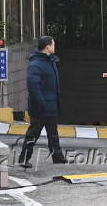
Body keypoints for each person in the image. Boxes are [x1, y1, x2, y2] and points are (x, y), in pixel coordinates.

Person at [18, 36, 66, 168]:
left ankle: (57, 157)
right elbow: (33, 88)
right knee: (32, 135)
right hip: (40, 108)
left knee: (53, 134)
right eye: (53, 44)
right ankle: (24, 159)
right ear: (47, 47)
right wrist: (42, 105)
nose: (55, 46)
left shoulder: (50, 61)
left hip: (52, 105)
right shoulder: (36, 65)